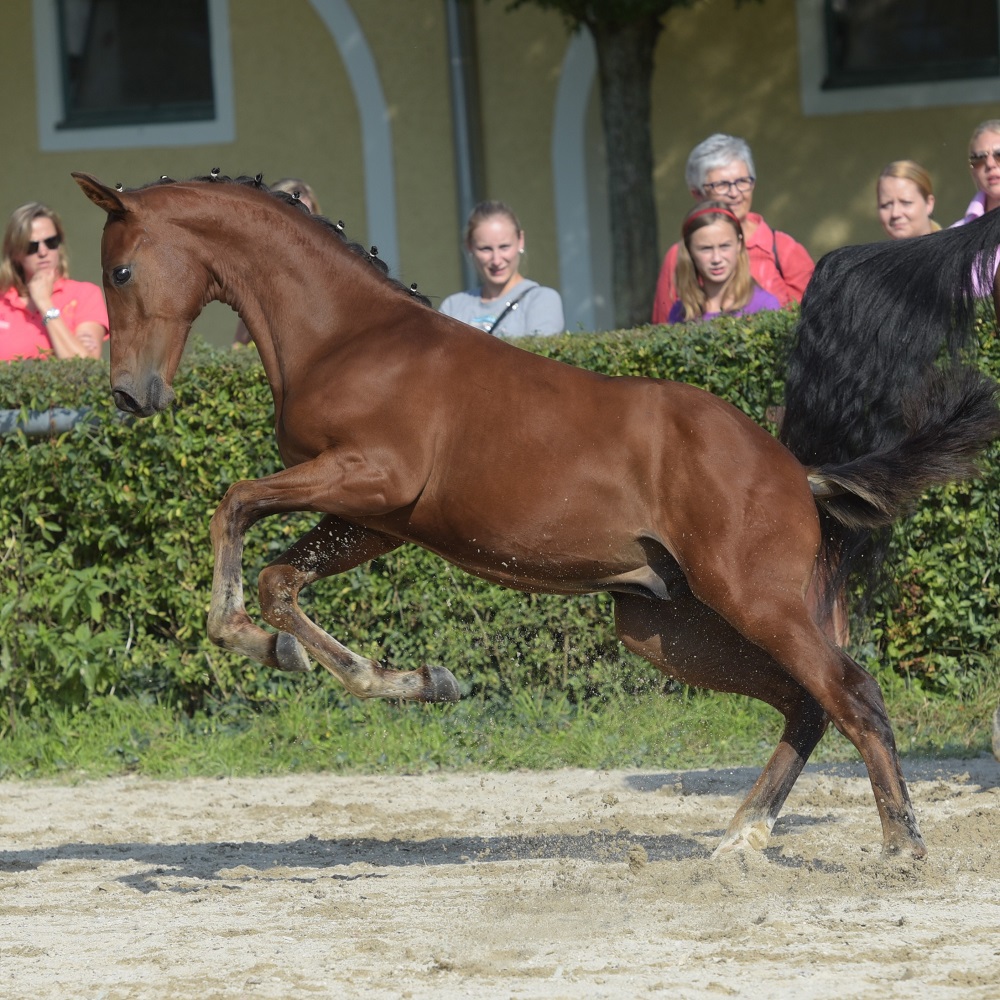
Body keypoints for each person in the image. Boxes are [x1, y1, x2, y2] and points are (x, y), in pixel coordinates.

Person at [652, 134, 814, 324]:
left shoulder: (784, 250)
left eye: (742, 181)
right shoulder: (678, 256)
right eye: (721, 185)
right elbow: (662, 332)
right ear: (696, 193)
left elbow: (814, 324)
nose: (735, 193)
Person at [0, 202, 107, 361]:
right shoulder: (3, 301)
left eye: (51, 242)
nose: (43, 252)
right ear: (15, 253)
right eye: (32, 246)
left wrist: (44, 303)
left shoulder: (85, 294)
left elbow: (85, 368)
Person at [440, 201, 564, 336]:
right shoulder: (453, 306)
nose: (496, 260)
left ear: (520, 240)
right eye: (485, 249)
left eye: (504, 247)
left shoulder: (540, 300)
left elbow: (538, 355)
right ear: (470, 246)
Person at [233, 178, 322, 346]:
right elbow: (240, 342)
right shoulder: (260, 270)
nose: (301, 225)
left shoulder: (326, 268)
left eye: (308, 216)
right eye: (292, 214)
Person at [666, 201, 781, 323]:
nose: (717, 259)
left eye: (724, 246)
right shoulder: (681, 311)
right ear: (689, 250)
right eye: (706, 248)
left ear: (739, 244)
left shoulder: (764, 306)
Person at [951, 118, 1000, 227]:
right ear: (972, 170)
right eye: (979, 158)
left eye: (999, 154)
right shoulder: (958, 234)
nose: (990, 164)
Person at [876, 160, 940, 239]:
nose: (895, 214)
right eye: (886, 205)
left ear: (929, 204)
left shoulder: (952, 250)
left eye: (906, 202)